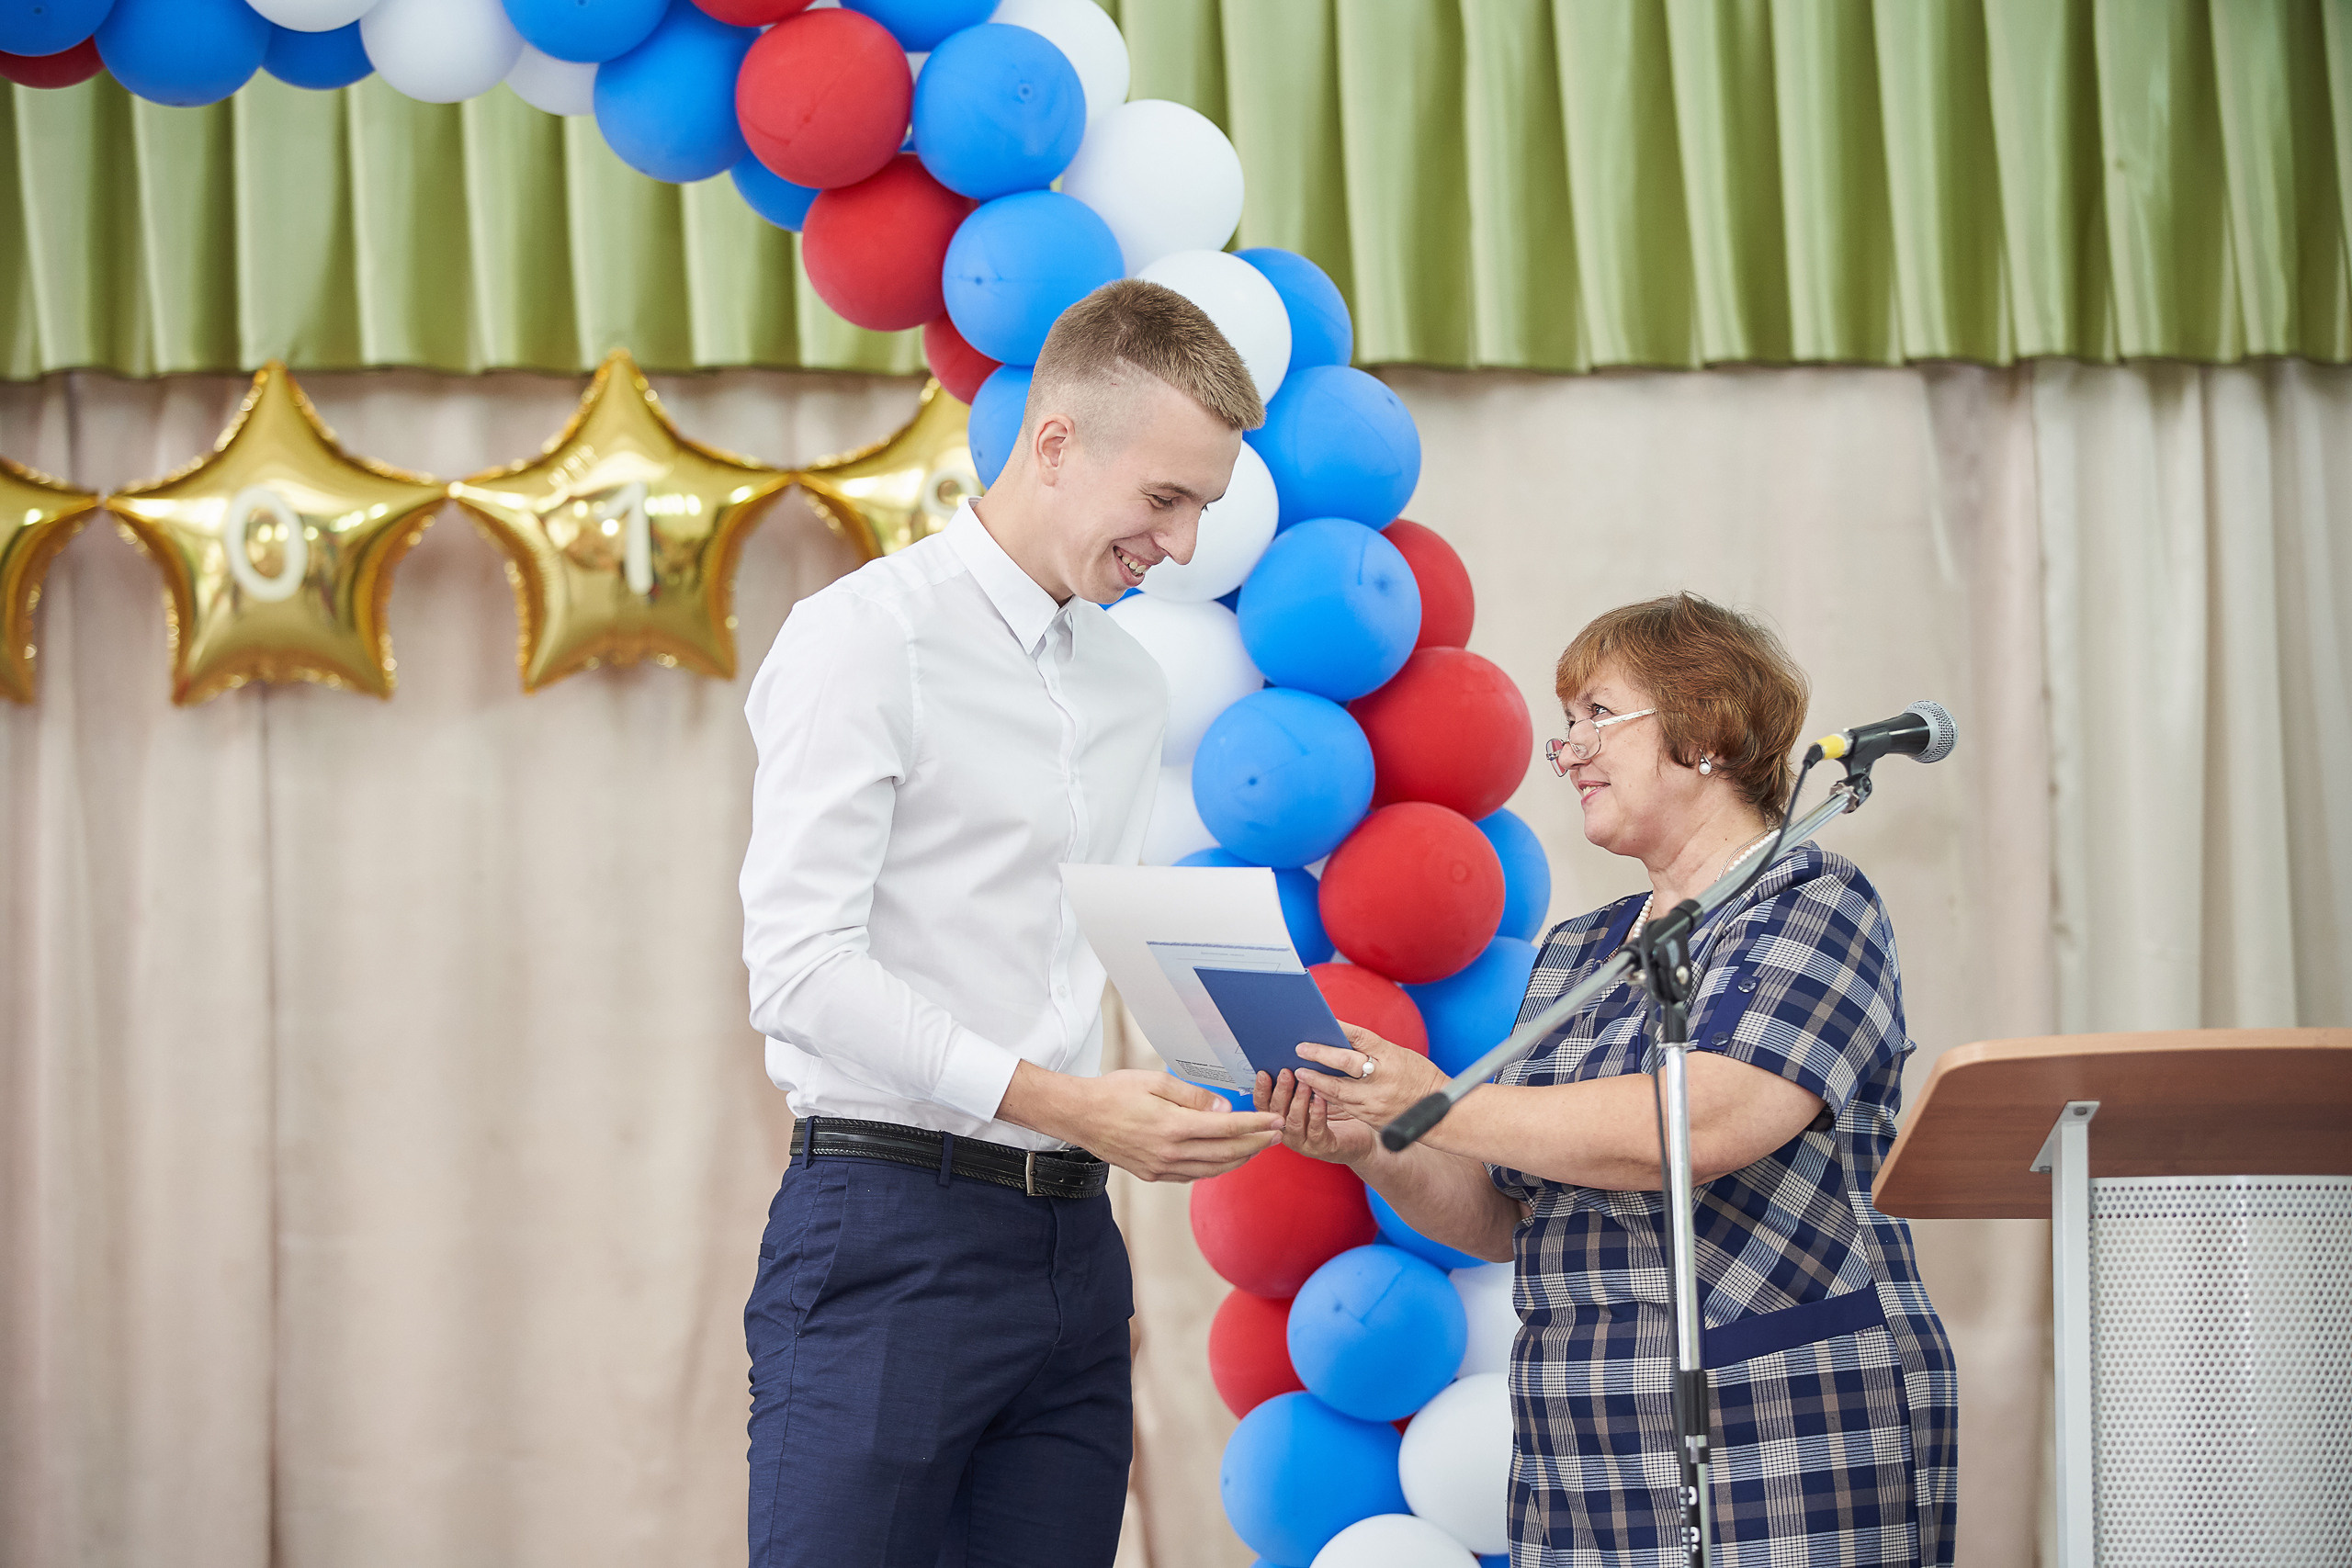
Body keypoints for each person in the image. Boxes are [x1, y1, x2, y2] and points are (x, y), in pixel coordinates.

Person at [738, 280, 1283, 1568]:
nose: (1186, 544)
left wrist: (1275, 1052)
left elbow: (1097, 916)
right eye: (1165, 498)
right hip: (883, 1233)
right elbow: (801, 970)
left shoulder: (1126, 681)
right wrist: (1068, 1100)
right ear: (1053, 446)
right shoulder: (863, 640)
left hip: (1070, 1255)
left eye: (1201, 506)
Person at [1262, 593, 1958, 1567]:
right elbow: (1507, 1217)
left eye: (1598, 715)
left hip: (1781, 1425)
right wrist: (1377, 1144)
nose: (1569, 751)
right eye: (1565, 725)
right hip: (1583, 1444)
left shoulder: (1813, 901)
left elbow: (1704, 1123)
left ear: (1706, 729)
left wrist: (1434, 1100)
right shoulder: (1578, 953)